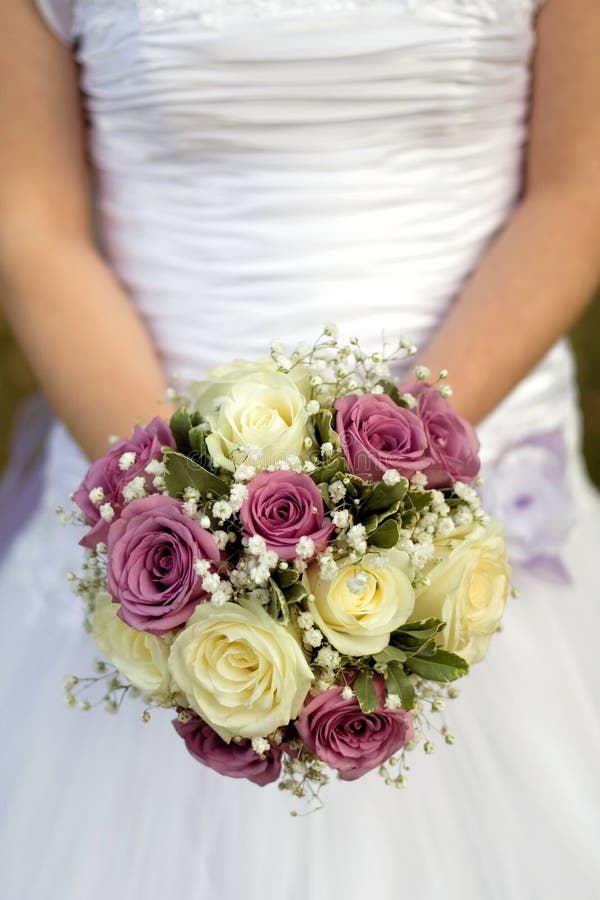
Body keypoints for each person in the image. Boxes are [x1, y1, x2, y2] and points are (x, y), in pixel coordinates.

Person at [0, 1, 599, 898]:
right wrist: (180, 516)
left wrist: (396, 477)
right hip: (140, 448)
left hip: (480, 434)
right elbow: (31, 220)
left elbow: (578, 188)